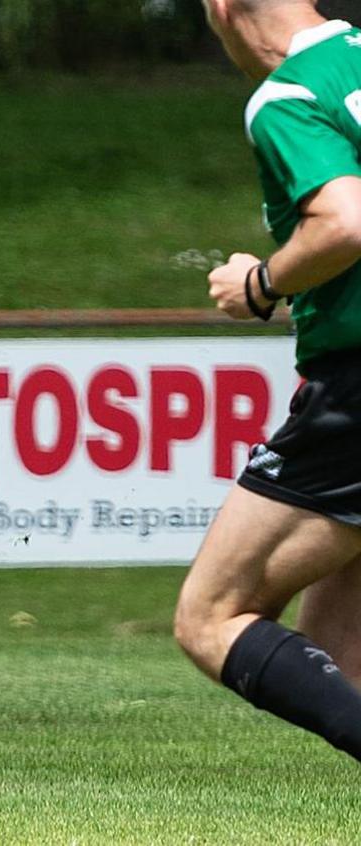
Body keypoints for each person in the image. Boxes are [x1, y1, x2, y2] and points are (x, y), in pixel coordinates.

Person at [175, 0, 361, 760]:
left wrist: (262, 283)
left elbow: (344, 222)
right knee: (335, 647)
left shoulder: (290, 94)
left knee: (211, 614)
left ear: (223, 9)